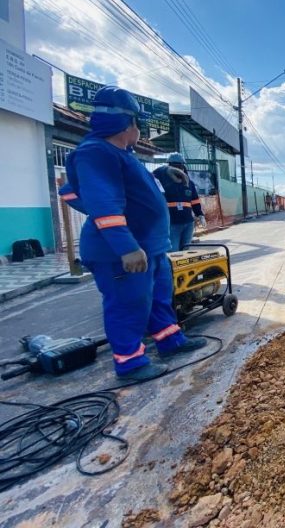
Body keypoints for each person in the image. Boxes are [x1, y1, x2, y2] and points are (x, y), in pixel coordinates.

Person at [65, 86, 207, 381]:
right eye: (137, 124)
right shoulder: (95, 152)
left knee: (158, 297)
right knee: (128, 304)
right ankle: (130, 363)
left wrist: (164, 173)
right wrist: (125, 244)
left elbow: (138, 190)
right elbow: (98, 200)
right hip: (123, 252)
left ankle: (170, 340)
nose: (139, 131)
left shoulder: (122, 154)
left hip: (150, 247)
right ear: (126, 124)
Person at [153, 153, 206, 251]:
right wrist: (166, 170)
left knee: (186, 251)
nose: (178, 168)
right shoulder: (162, 179)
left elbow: (195, 200)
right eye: (174, 166)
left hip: (188, 223)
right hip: (172, 223)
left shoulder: (188, 182)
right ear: (169, 165)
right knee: (174, 252)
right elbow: (155, 173)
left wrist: (200, 214)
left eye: (180, 166)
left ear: (183, 166)